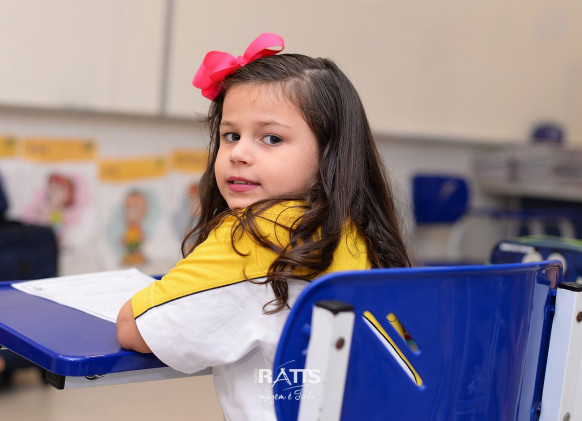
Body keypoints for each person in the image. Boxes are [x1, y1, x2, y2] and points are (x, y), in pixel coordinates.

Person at [116, 33, 410, 420]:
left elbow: (135, 328)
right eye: (230, 135)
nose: (239, 153)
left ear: (329, 153)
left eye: (271, 138)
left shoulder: (255, 233)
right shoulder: (359, 232)